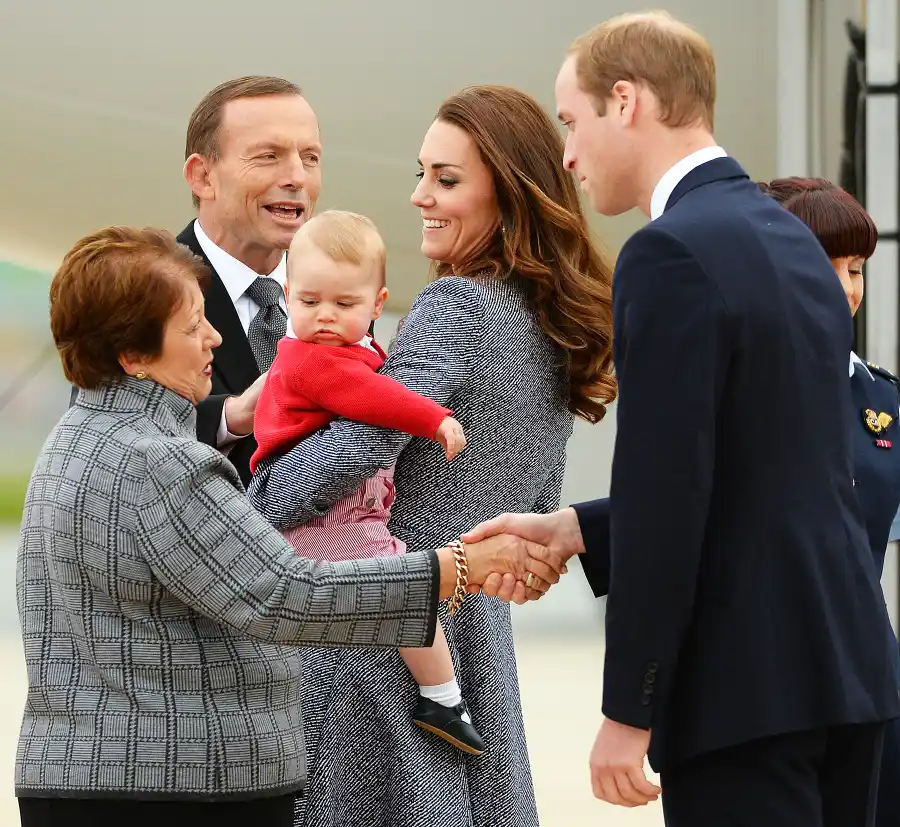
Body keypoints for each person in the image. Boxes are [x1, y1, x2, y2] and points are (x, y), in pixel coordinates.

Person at [465, 12, 900, 827]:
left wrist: (629, 709)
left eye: (571, 120)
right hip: (850, 673)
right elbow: (771, 472)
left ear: (624, 101)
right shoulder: (792, 242)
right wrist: (576, 528)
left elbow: (670, 489)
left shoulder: (670, 252)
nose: (567, 152)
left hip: (745, 692)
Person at [14, 226, 559, 827]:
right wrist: (457, 567)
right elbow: (283, 592)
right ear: (134, 357)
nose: (215, 337)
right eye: (194, 325)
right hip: (175, 789)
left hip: (94, 779)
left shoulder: (73, 444)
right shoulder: (160, 461)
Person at [248, 84, 616, 826]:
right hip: (477, 636)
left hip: (383, 627)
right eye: (421, 174)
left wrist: (254, 507)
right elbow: (538, 505)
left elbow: (362, 443)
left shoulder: (456, 304)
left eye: (446, 180)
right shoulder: (553, 323)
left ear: (507, 193)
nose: (421, 197)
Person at [250, 209, 483, 754]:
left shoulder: (359, 353)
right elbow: (371, 398)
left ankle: (438, 693)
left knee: (407, 587)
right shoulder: (310, 360)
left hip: (346, 510)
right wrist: (433, 417)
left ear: (378, 305)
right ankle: (441, 697)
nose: (324, 316)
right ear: (287, 296)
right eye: (308, 302)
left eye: (344, 303)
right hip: (315, 518)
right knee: (409, 586)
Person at [759, 176, 900, 827]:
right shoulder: (734, 390)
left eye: (856, 268)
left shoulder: (883, 402)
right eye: (827, 263)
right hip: (761, 683)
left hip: (870, 686)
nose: (847, 287)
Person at [179, 76, 324, 487]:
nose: (297, 177)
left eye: (310, 157)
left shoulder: (336, 291)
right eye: (269, 156)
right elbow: (112, 438)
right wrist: (231, 417)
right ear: (202, 176)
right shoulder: (143, 295)